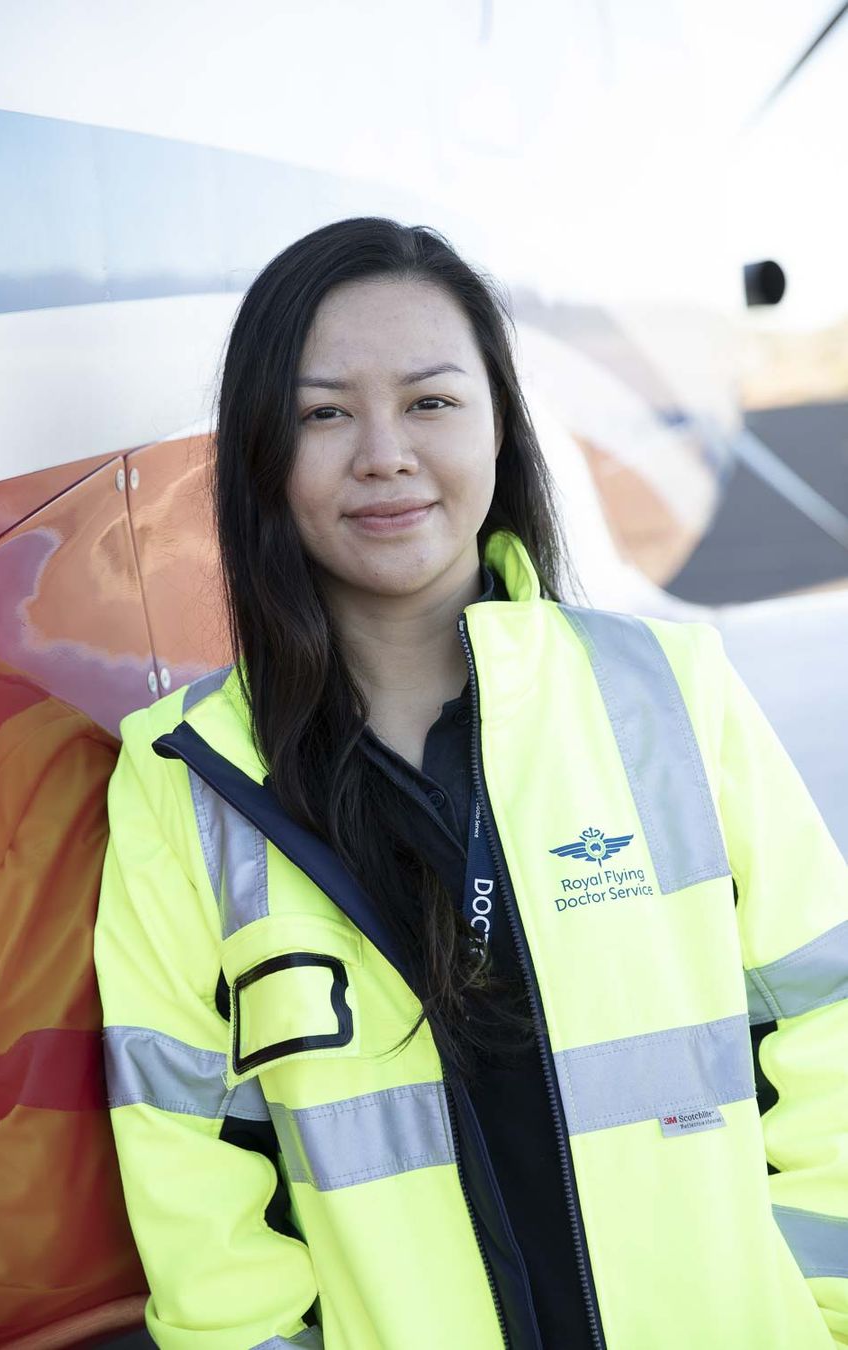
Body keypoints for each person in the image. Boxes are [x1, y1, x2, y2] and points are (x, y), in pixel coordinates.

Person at [93, 216, 848, 1350]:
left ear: (501, 424)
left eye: (431, 401)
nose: (384, 453)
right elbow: (187, 1168)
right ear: (261, 451)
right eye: (323, 413)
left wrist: (812, 1312)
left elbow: (829, 1024)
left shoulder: (668, 693)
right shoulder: (183, 779)